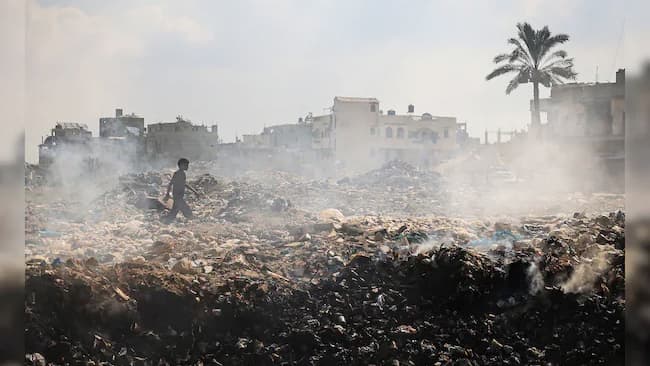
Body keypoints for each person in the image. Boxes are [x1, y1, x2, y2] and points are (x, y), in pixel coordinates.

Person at [163, 158, 195, 223]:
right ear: (181, 165)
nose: (187, 167)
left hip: (179, 196)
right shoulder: (177, 174)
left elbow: (184, 184)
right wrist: (167, 194)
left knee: (175, 211)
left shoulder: (182, 174)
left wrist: (194, 191)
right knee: (187, 210)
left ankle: (166, 221)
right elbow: (170, 184)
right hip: (178, 196)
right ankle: (192, 220)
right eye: (186, 165)